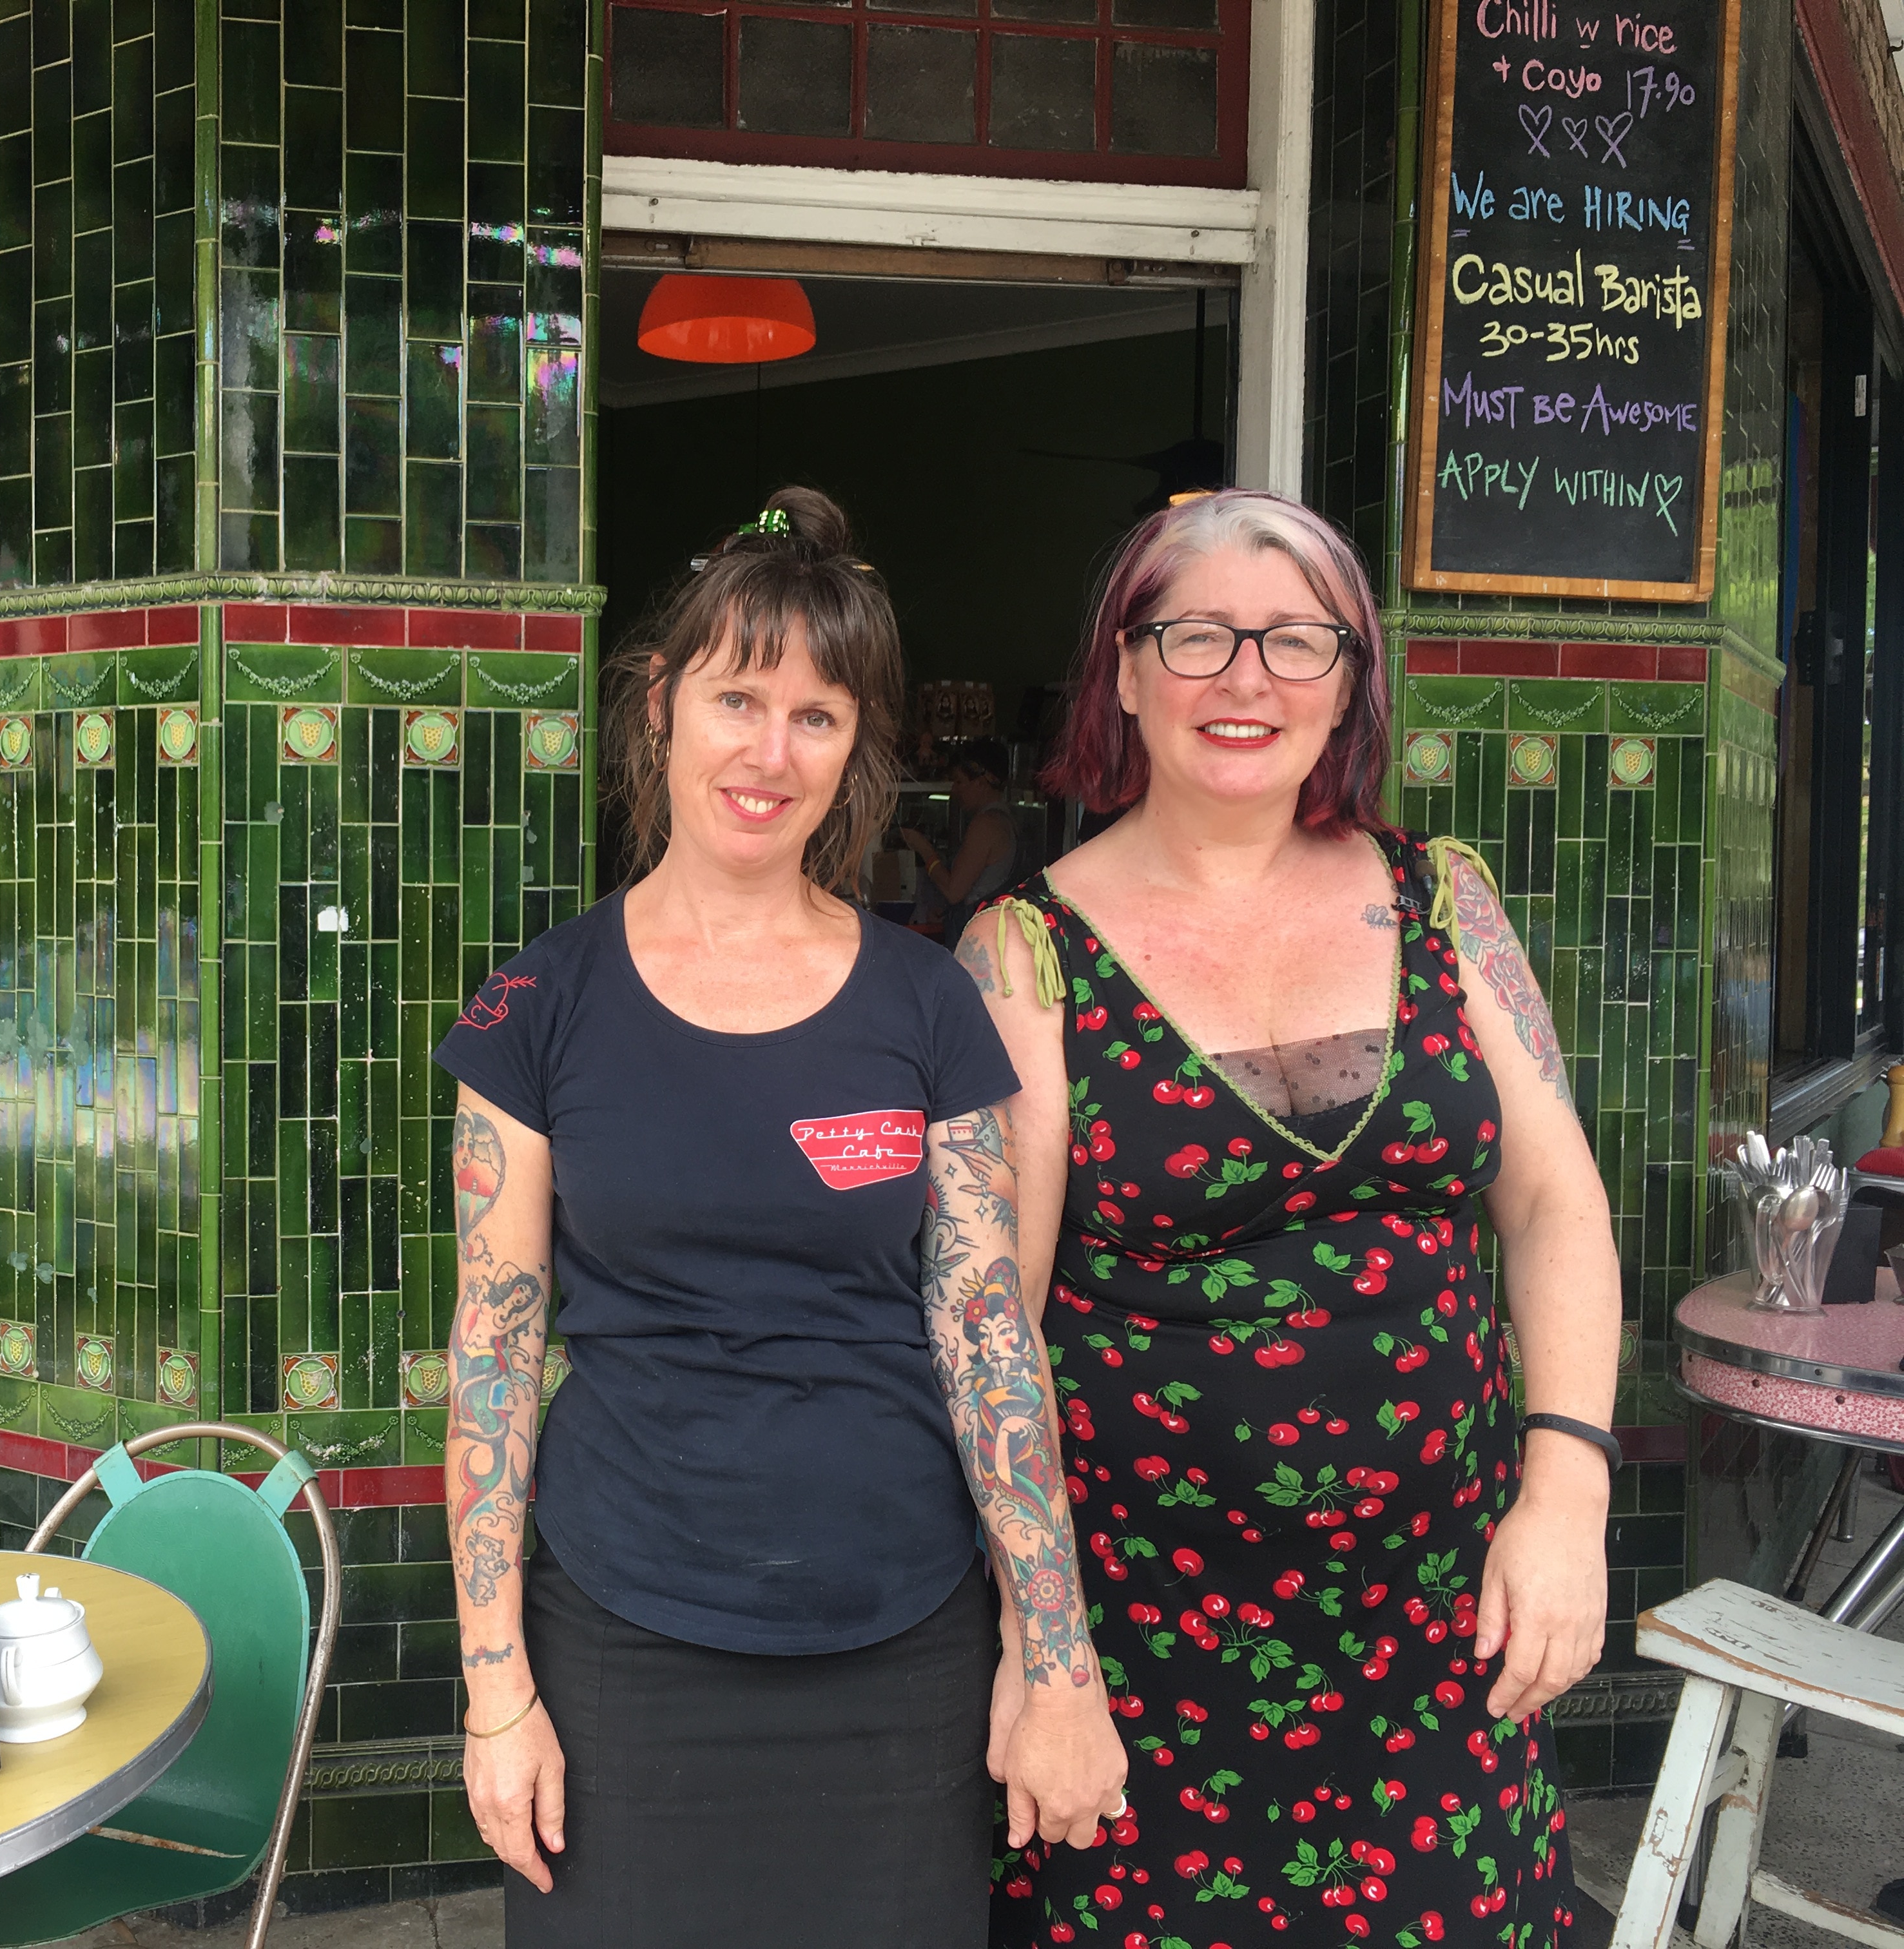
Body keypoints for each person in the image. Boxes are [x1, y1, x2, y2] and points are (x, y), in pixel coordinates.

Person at [432, 488, 1125, 1949]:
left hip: (902, 1652)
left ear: (857, 747)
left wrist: (1052, 1655)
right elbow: (491, 1356)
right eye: (739, 697)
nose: (770, 751)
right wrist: (497, 1694)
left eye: (818, 715)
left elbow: (990, 1336)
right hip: (624, 1646)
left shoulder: (927, 1003)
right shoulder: (536, 1008)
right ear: (660, 706)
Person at [965, 489, 1618, 1948]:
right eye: (1196, 636)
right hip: (1149, 1650)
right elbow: (987, 1323)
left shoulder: (1445, 904)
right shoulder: (1025, 953)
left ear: (1352, 682)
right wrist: (1045, 1649)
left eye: (1296, 641)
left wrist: (1567, 1492)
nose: (1246, 678)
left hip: (1450, 1621)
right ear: (1125, 677)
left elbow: (1558, 1201)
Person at [898, 736, 1018, 945]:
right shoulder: (1003, 820)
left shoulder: (987, 825)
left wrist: (924, 849)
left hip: (979, 940)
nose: (955, 790)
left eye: (960, 781)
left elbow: (954, 891)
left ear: (981, 783)